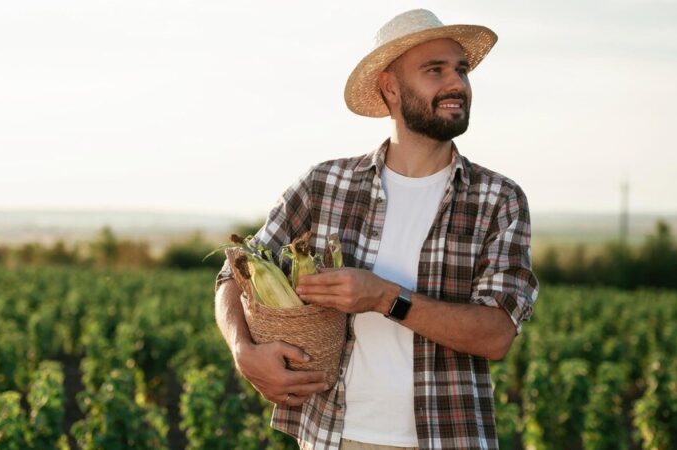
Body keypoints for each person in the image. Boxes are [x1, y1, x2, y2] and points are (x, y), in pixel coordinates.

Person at [214, 8, 539, 450]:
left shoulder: (497, 199)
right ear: (389, 86)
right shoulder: (324, 184)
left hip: (449, 438)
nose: (456, 84)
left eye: (461, 70)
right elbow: (233, 273)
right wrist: (243, 353)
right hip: (332, 436)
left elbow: (497, 333)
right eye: (435, 70)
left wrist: (385, 297)